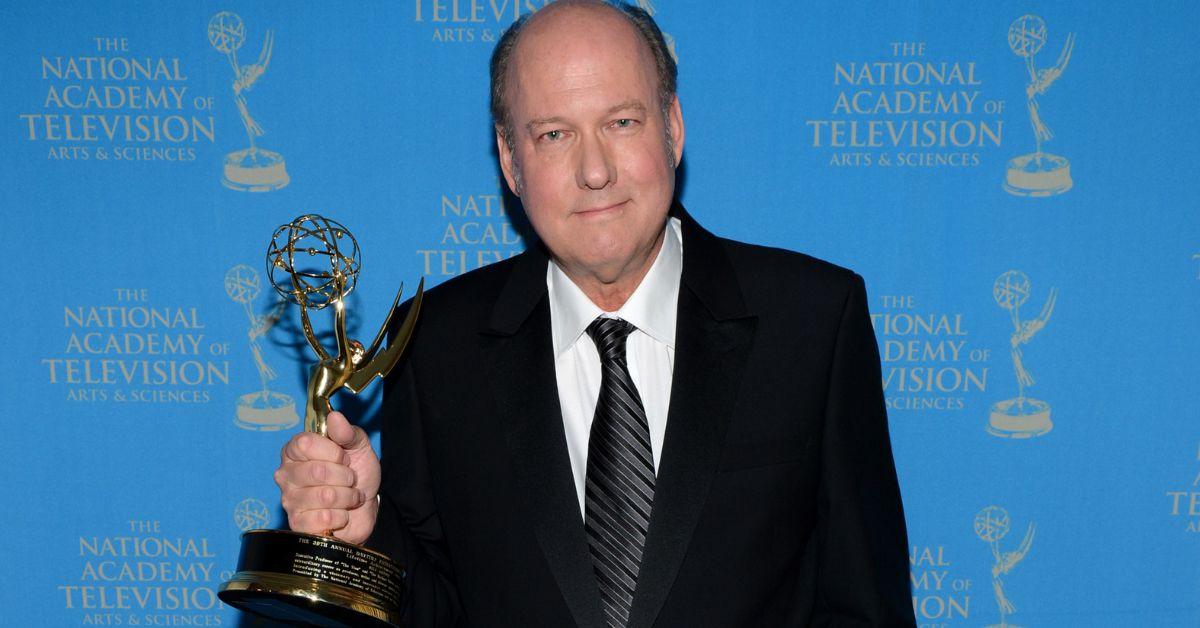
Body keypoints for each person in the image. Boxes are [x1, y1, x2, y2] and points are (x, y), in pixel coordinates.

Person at [274, 1, 914, 625]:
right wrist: (368, 527)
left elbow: (866, 604)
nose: (595, 171)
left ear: (674, 127)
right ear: (510, 160)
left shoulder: (811, 320)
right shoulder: (433, 344)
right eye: (554, 134)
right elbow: (438, 608)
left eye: (622, 123)